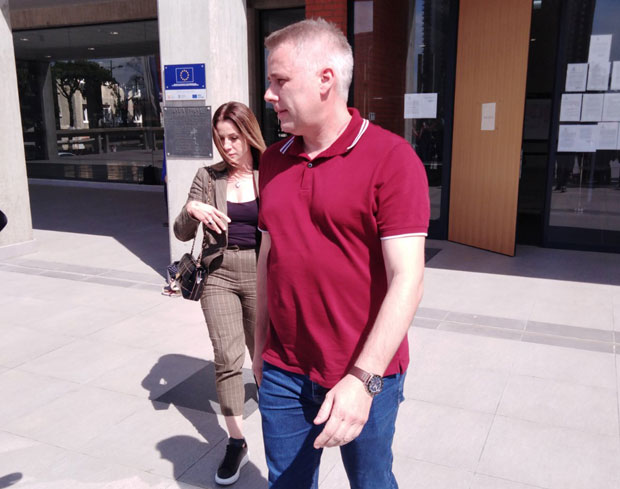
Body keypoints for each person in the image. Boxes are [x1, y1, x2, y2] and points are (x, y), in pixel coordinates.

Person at [253, 19, 430, 488]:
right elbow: (267, 260)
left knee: (372, 482)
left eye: (280, 80)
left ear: (325, 79)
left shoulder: (392, 159)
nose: (269, 94)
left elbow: (408, 280)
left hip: (367, 371)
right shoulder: (272, 160)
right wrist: (259, 348)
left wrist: (363, 380)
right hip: (285, 370)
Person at [173, 101, 266, 486]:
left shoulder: (270, 172)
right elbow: (181, 233)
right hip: (219, 273)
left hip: (263, 271)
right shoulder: (207, 177)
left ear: (249, 135)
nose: (227, 146)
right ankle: (236, 441)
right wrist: (191, 209)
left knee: (264, 358)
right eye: (220, 138)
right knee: (228, 357)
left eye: (234, 137)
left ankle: (280, 427)